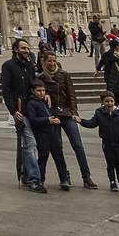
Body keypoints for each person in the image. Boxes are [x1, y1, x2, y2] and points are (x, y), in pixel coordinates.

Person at [38, 52, 96, 188]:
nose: (52, 64)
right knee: (57, 148)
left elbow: (72, 94)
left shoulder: (64, 75)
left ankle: (86, 177)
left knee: (78, 145)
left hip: (67, 114)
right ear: (44, 62)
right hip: (53, 116)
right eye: (49, 61)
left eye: (54, 61)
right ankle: (64, 177)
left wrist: (74, 112)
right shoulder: (40, 78)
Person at [1, 39, 42, 191]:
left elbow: (34, 84)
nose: (27, 50)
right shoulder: (8, 66)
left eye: (27, 48)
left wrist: (43, 93)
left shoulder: (30, 66)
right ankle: (34, 179)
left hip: (31, 109)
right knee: (30, 144)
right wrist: (13, 111)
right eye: (23, 48)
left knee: (28, 145)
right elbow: (6, 91)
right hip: (20, 110)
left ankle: (25, 174)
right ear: (15, 49)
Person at [81, 91, 119, 191]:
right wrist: (81, 121)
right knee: (110, 163)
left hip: (118, 143)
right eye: (107, 101)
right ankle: (112, 182)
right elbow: (92, 123)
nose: (109, 103)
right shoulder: (99, 113)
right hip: (107, 143)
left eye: (111, 101)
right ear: (102, 102)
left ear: (114, 101)